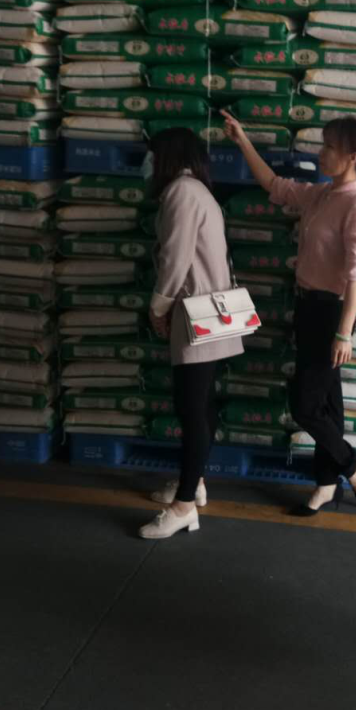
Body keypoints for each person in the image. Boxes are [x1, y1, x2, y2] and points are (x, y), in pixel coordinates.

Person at [221, 109, 356, 514]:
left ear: (352, 158)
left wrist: (343, 333)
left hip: (331, 315)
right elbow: (275, 185)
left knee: (306, 407)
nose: (321, 153)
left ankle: (352, 468)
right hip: (308, 307)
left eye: (330, 147)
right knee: (328, 404)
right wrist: (242, 140)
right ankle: (326, 483)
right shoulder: (324, 195)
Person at [140, 127, 243, 540]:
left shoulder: (182, 192)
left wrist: (157, 306)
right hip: (211, 310)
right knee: (199, 404)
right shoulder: (196, 189)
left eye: (152, 154)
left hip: (197, 312)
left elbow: (175, 257)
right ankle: (194, 482)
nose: (147, 163)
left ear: (167, 155)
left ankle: (183, 506)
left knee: (191, 408)